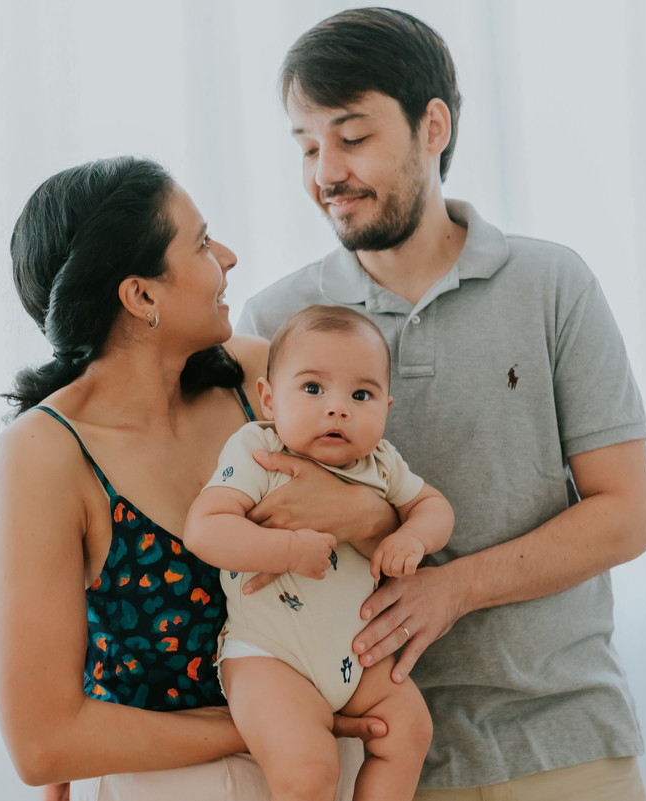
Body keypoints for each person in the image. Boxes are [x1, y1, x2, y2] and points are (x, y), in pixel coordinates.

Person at [235, 9, 646, 800]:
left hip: (564, 742)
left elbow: (628, 513)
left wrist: (453, 587)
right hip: (377, 762)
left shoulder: (552, 285)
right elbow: (252, 520)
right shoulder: (273, 323)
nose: (326, 172)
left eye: (351, 137)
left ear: (433, 126)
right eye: (307, 146)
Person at [0, 156, 394, 801]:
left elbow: (388, 512)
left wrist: (364, 515)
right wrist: (271, 724)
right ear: (141, 296)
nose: (227, 257)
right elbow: (43, 744)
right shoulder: (45, 452)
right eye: (202, 243)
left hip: (325, 771)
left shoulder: (258, 382)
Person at [184, 305, 453, 800]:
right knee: (309, 770)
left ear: (386, 407)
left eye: (361, 395)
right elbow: (204, 530)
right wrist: (287, 549)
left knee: (409, 730)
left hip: (354, 657)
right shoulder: (259, 451)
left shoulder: (382, 463)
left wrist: (413, 536)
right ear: (269, 399)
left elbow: (435, 507)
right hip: (268, 655)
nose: (338, 408)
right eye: (313, 388)